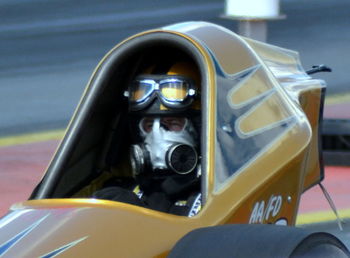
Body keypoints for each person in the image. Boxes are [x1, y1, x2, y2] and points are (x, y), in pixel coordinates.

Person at [93, 61, 202, 216]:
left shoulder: (214, 197)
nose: (157, 134)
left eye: (172, 123)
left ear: (198, 129)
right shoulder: (116, 195)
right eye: (149, 125)